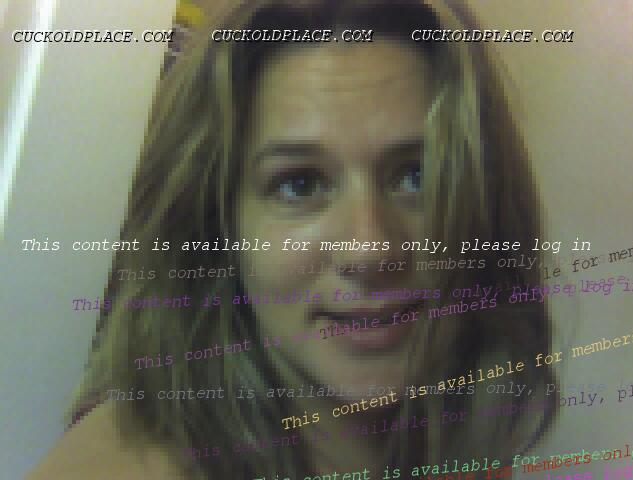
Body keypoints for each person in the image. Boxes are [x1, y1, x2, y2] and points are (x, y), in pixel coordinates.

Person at [28, 1, 557, 478]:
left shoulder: (462, 424)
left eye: (420, 176)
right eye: (299, 184)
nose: (370, 249)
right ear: (217, 228)